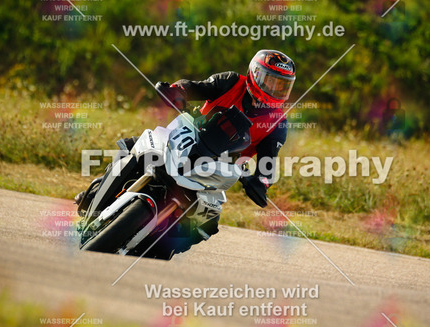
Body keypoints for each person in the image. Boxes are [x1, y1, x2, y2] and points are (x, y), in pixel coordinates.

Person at [76, 49, 295, 239]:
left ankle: (166, 241)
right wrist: (177, 91)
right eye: (270, 81)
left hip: (219, 167)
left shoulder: (278, 123)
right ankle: (96, 198)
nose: (274, 89)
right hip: (189, 136)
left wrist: (261, 181)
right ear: (254, 74)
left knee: (206, 225)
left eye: (281, 86)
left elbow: (269, 160)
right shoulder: (231, 82)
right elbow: (195, 87)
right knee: (133, 146)